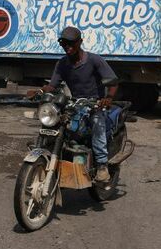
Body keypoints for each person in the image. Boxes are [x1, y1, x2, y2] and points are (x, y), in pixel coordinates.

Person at [27, 26, 119, 182]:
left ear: (80, 42)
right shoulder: (62, 63)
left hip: (95, 104)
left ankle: (102, 165)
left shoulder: (94, 60)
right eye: (63, 43)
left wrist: (108, 98)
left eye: (71, 43)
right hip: (75, 103)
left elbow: (113, 82)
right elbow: (53, 85)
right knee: (56, 122)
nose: (67, 46)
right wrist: (40, 91)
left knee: (97, 124)